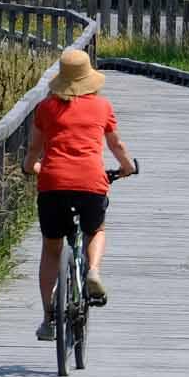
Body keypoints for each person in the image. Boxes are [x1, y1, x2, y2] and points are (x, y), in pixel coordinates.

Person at [21, 49, 136, 340]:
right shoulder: (102, 107)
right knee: (95, 230)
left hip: (52, 183)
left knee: (51, 248)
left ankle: (49, 318)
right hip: (90, 183)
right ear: (89, 79)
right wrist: (127, 167)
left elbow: (34, 151)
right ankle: (93, 270)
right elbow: (116, 145)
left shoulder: (46, 109)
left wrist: (30, 166)